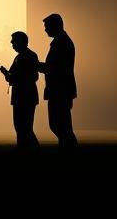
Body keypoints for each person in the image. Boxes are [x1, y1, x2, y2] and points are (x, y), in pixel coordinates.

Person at [38, 13, 77, 148]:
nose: (45, 30)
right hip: (62, 90)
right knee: (60, 125)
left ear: (55, 26)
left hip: (59, 90)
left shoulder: (61, 43)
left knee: (59, 125)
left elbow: (53, 68)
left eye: (47, 26)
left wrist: (36, 65)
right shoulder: (63, 41)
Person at [0, 31, 40, 150]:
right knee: (23, 128)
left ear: (19, 42)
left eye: (13, 41)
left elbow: (30, 76)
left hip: (23, 97)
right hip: (25, 96)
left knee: (23, 128)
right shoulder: (27, 55)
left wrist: (8, 74)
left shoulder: (24, 56)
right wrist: (8, 74)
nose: (11, 43)